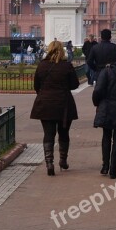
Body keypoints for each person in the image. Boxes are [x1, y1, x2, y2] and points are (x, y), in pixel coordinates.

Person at [30, 40, 79, 176]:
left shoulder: (42, 65)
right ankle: (63, 160)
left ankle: (49, 163)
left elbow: (36, 86)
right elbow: (74, 85)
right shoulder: (66, 65)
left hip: (45, 103)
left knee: (48, 134)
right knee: (64, 133)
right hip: (64, 104)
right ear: (62, 50)